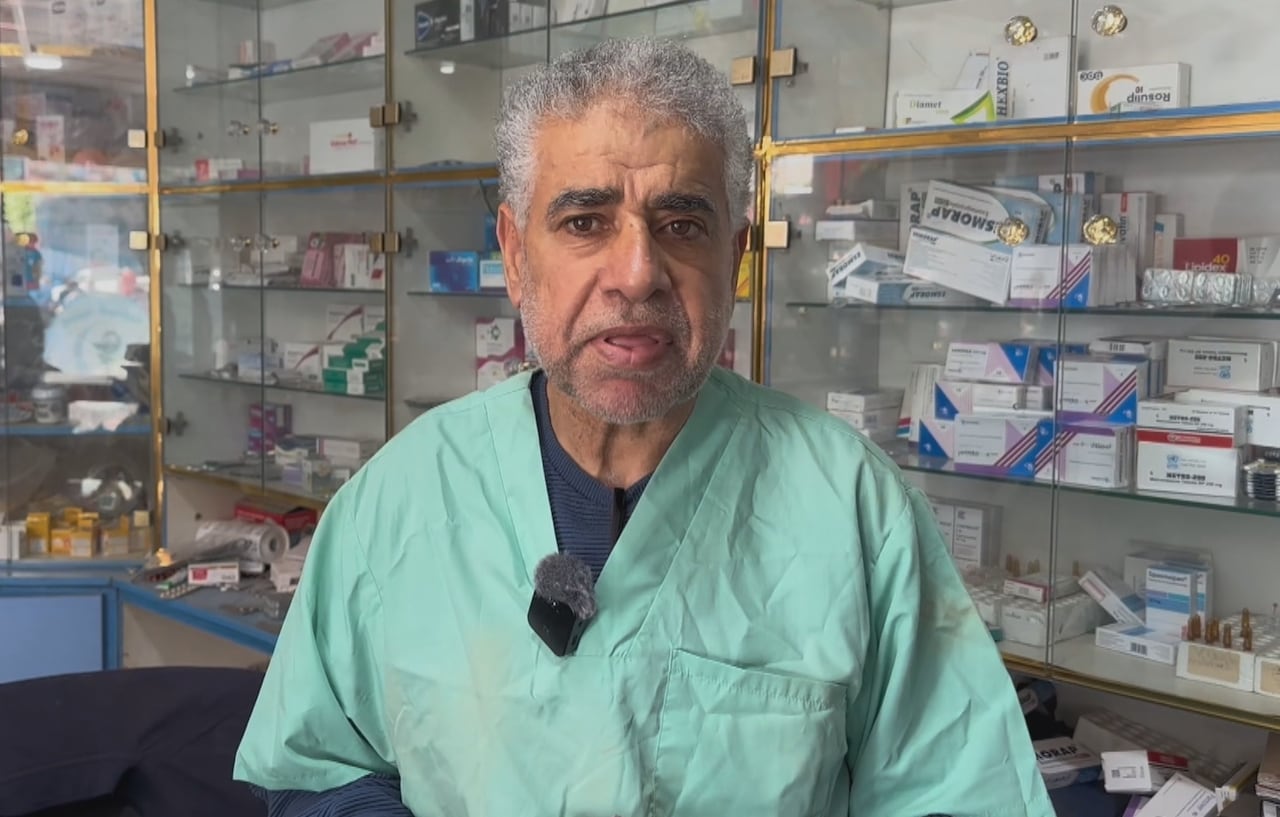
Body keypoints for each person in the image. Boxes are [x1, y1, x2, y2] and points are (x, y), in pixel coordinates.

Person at [233, 37, 1054, 817]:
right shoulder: (398, 501)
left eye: (681, 223)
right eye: (585, 221)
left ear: (732, 255)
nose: (637, 273)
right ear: (515, 254)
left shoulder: (852, 508)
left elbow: (954, 791)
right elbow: (320, 768)